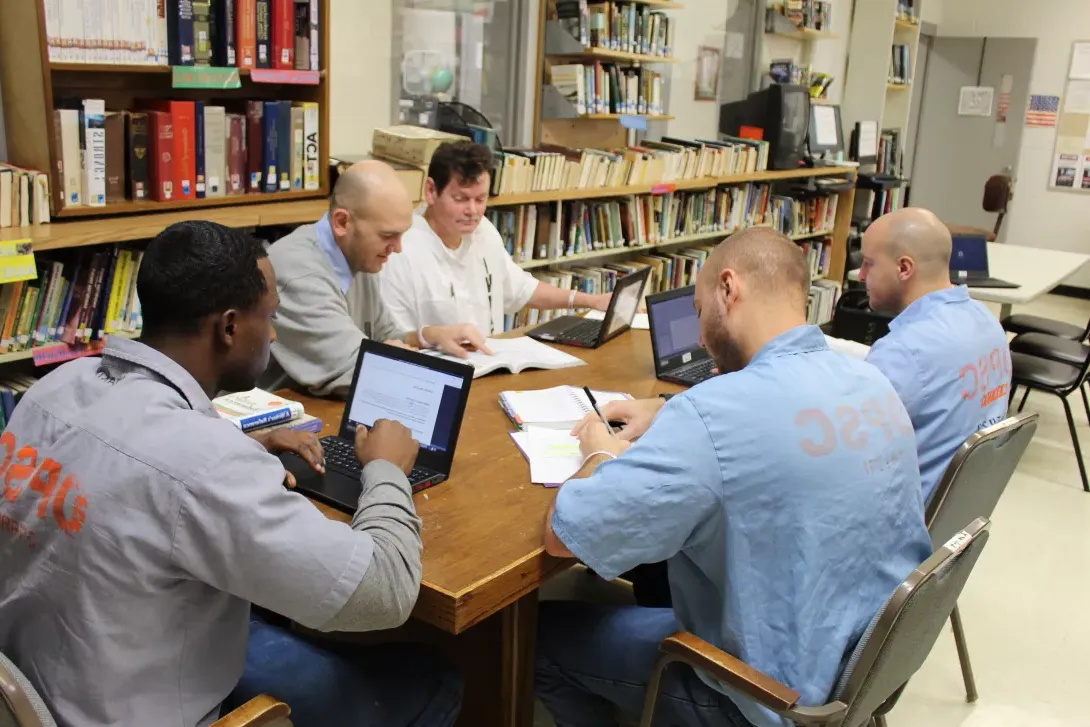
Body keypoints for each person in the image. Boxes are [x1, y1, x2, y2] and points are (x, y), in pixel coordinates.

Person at [0, 221, 462, 727]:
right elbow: (385, 594)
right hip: (134, 708)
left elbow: (121, 468)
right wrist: (385, 469)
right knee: (435, 678)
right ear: (229, 328)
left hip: (45, 683)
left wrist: (245, 445)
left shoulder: (54, 388)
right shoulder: (204, 462)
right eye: (270, 318)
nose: (274, 334)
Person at [536, 228, 932, 727]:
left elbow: (563, 535)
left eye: (700, 311)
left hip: (761, 698)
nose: (700, 338)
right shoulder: (872, 381)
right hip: (855, 668)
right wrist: (670, 412)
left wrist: (599, 453)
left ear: (728, 289)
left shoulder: (713, 414)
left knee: (541, 634)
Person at [266, 158, 489, 397]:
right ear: (342, 222)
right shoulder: (299, 274)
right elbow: (357, 371)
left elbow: (384, 337)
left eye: (402, 234)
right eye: (387, 235)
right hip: (271, 422)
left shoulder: (357, 253)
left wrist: (429, 336)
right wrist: (392, 354)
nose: (398, 248)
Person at [380, 141, 613, 337]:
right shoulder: (401, 252)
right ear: (431, 191)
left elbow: (521, 289)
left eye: (480, 199)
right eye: (461, 199)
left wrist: (591, 301)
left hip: (490, 362)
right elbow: (397, 340)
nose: (472, 211)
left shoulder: (483, 231)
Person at [859, 207, 1011, 504]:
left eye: (868, 264)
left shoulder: (905, 351)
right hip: (956, 511)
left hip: (902, 520)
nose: (861, 275)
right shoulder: (987, 322)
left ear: (904, 268)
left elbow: (843, 449)